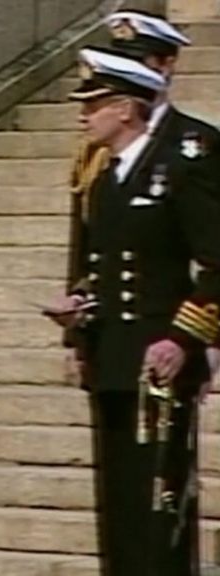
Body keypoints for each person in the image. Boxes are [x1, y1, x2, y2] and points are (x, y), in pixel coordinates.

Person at [48, 47, 220, 576]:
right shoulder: (104, 180)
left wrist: (182, 339)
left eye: (94, 103)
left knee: (157, 501)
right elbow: (97, 268)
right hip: (114, 360)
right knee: (119, 501)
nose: (84, 114)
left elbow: (216, 264)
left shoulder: (177, 169)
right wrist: (78, 322)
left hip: (160, 363)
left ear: (126, 108)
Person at [65, 10, 220, 383]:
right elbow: (87, 244)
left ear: (166, 66)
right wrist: (76, 335)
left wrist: (204, 341)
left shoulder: (195, 145)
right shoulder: (99, 151)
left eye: (136, 60)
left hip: (164, 328)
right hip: (111, 339)